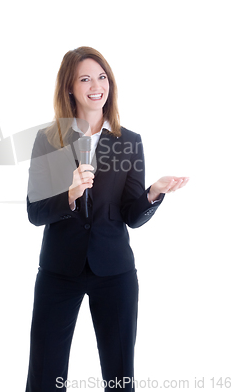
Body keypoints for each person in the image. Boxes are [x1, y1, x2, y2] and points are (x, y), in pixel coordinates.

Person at [24, 46, 189, 391]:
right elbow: (35, 213)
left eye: (102, 77)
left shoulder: (129, 141)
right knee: (44, 377)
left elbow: (132, 216)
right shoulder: (48, 140)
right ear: (69, 87)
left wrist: (153, 193)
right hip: (59, 272)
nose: (95, 86)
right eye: (85, 78)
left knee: (119, 377)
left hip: (114, 273)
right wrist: (69, 195)